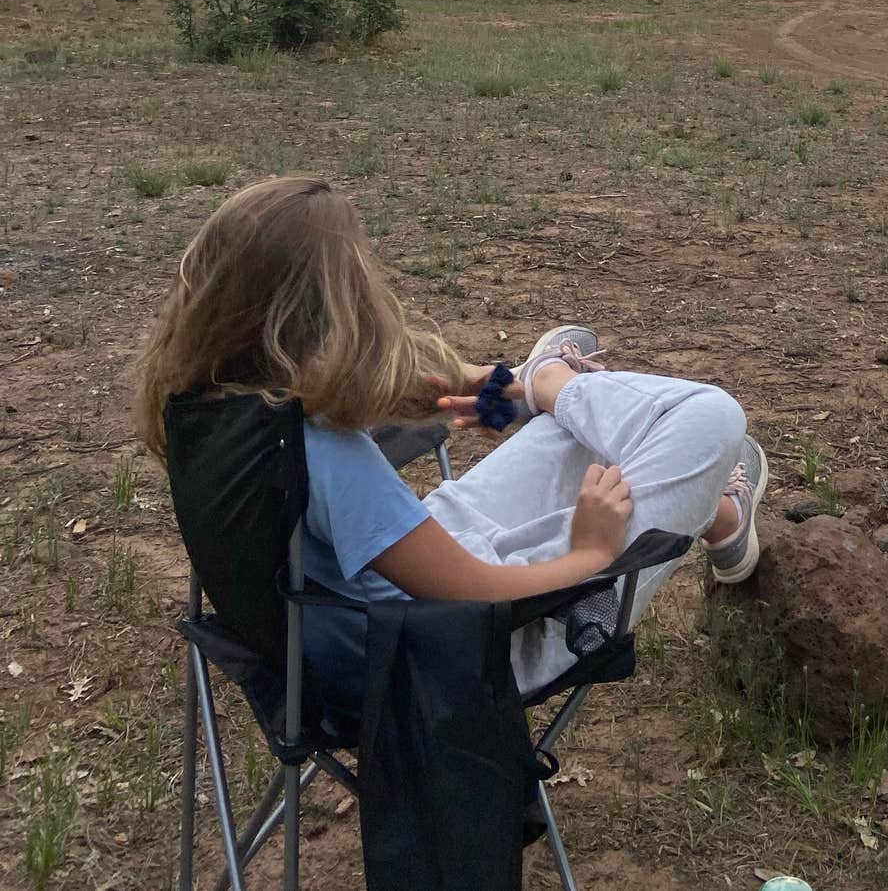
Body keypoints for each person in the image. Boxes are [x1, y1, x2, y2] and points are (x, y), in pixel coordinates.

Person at [136, 175, 767, 702]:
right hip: (459, 649)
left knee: (578, 430)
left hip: (385, 603)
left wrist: (439, 385)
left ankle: (570, 401)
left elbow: (340, 397)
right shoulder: (326, 460)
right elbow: (469, 591)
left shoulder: (212, 407)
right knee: (710, 414)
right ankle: (549, 378)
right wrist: (589, 557)